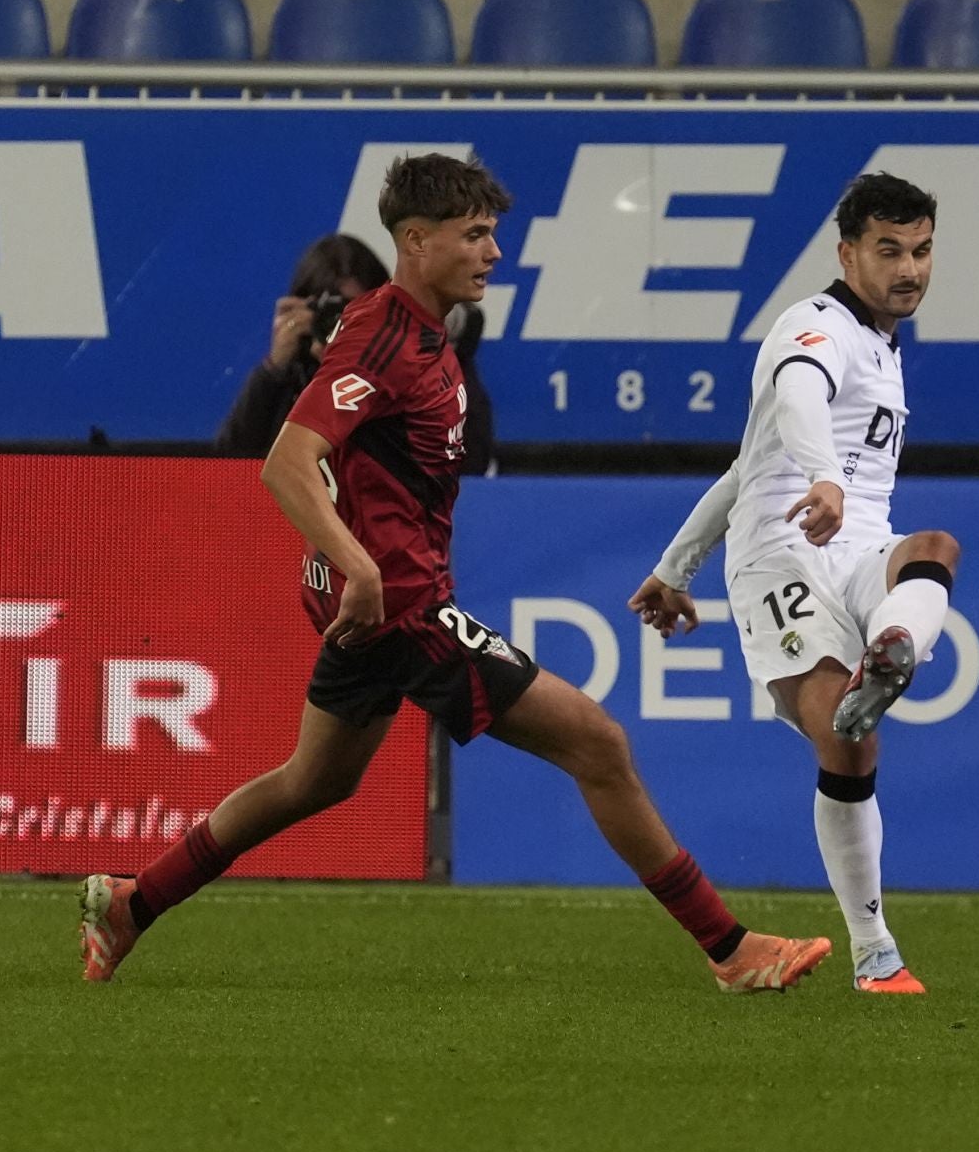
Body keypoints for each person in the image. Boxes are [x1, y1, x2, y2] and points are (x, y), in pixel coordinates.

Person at [82, 153, 831, 993]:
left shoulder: (427, 338)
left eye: (492, 234)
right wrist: (358, 565)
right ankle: (729, 948)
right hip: (401, 606)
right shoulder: (382, 331)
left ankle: (131, 902)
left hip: (383, 603)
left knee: (313, 780)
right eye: (474, 235)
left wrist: (354, 569)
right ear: (415, 239)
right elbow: (287, 461)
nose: (493, 252)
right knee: (598, 742)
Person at [629, 172, 960, 997]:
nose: (908, 268)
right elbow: (799, 398)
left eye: (921, 251)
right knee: (844, 740)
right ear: (848, 254)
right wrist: (823, 477)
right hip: (782, 549)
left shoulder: (884, 347)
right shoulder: (813, 325)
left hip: (854, 542)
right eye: (889, 251)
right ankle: (875, 951)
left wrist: (673, 569)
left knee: (934, 547)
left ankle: (894, 648)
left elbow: (745, 465)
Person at [215, 233, 496, 474]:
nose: (344, 326)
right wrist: (273, 370)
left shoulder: (413, 370)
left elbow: (469, 462)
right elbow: (229, 466)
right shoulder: (289, 376)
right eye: (333, 313)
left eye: (357, 311)